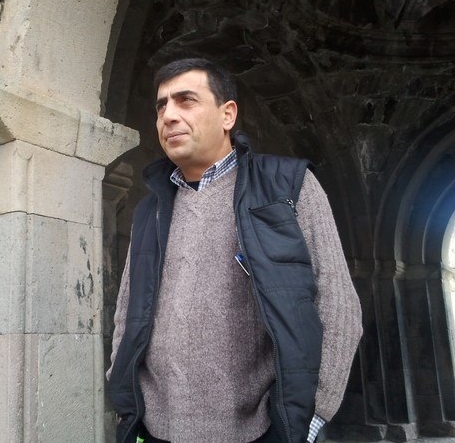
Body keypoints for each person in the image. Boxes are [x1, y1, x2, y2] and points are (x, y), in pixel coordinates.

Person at [107, 58, 362, 443]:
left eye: (186, 100)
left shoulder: (287, 187)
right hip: (157, 429)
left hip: (258, 430)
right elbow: (127, 311)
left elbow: (338, 306)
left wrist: (312, 417)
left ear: (227, 115)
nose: (168, 116)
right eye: (161, 106)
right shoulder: (151, 208)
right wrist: (123, 395)